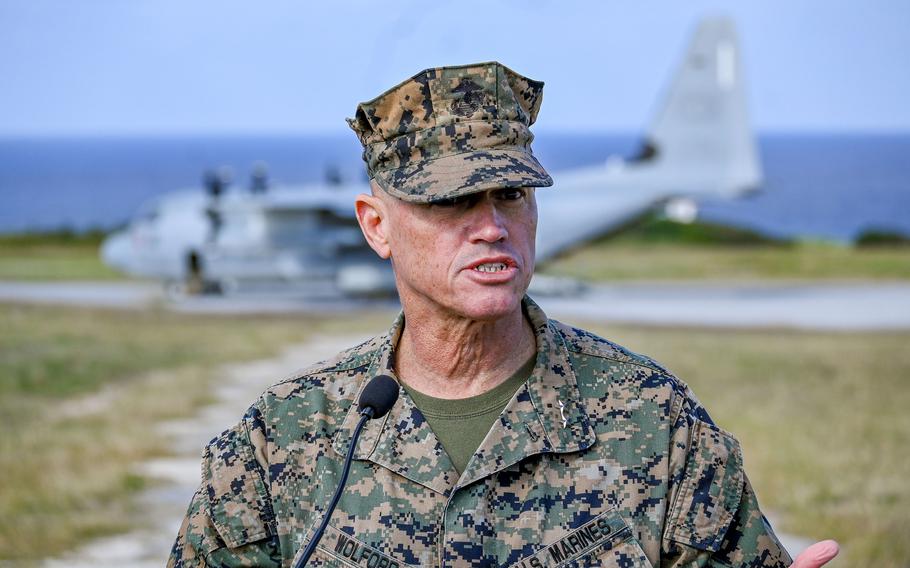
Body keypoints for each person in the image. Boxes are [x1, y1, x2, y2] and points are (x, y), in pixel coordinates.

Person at [168, 62, 838, 567]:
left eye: (511, 193)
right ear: (376, 227)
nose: (491, 225)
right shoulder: (282, 438)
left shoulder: (655, 422)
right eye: (450, 201)